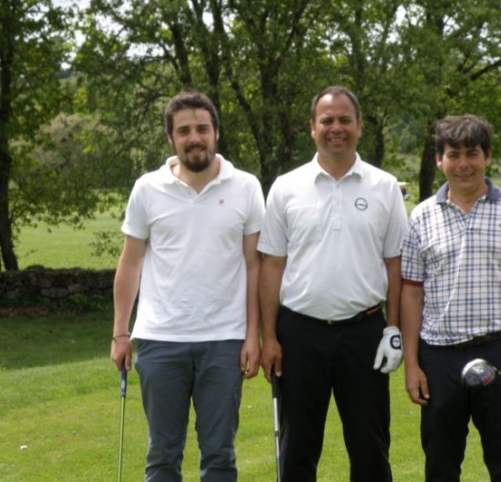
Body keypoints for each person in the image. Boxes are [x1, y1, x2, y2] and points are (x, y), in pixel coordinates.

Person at [110, 90, 265, 482]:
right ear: (171, 139)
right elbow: (130, 262)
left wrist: (254, 335)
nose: (194, 137)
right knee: (162, 456)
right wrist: (120, 333)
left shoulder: (246, 187)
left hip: (225, 340)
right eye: (184, 131)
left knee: (219, 456)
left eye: (202, 128)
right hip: (160, 339)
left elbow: (254, 266)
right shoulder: (147, 188)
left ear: (216, 132)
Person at [258, 85, 408, 482]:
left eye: (345, 120)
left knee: (370, 448)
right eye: (327, 120)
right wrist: (268, 337)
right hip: (299, 334)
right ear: (312, 127)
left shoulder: (384, 186)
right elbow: (271, 266)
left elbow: (395, 265)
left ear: (359, 126)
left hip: (365, 333)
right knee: (297, 452)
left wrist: (394, 329)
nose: (336, 128)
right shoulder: (286, 187)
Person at [400, 114, 501, 482]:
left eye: (472, 154)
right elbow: (412, 294)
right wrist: (412, 364)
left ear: (487, 157)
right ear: (440, 160)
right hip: (439, 357)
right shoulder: (421, 216)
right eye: (453, 155)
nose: (463, 164)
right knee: (440, 466)